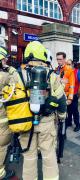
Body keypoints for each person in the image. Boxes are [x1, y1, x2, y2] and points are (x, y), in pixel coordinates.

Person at [20, 41, 66, 180]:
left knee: (29, 155)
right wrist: (62, 116)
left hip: (25, 122)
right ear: (43, 55)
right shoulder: (51, 75)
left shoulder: (17, 74)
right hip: (46, 121)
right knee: (48, 153)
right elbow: (61, 100)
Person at [0, 46, 15, 179]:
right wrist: (10, 69)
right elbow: (17, 82)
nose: (6, 62)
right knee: (2, 145)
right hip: (2, 117)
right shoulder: (5, 76)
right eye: (4, 60)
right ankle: (1, 173)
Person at [55, 52, 75, 129]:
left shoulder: (69, 70)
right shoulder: (56, 69)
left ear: (64, 59)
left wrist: (70, 98)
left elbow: (72, 85)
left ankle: (63, 135)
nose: (58, 61)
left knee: (63, 117)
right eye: (57, 59)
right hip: (57, 95)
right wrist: (61, 80)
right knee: (58, 116)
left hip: (65, 96)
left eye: (60, 59)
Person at [66, 59, 80, 132]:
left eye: (69, 64)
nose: (68, 66)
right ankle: (69, 122)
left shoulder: (77, 72)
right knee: (68, 110)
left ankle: (77, 124)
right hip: (67, 95)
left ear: (73, 64)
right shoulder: (66, 72)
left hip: (74, 95)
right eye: (67, 64)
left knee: (74, 111)